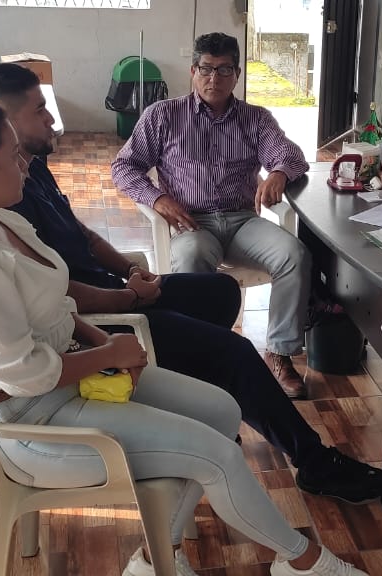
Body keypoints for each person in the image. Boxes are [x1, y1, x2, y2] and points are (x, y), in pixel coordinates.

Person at [0, 98, 367, 576]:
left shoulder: (4, 223)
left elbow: (58, 304)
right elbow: (27, 376)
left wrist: (104, 343)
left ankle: (156, 559)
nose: (25, 164)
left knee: (223, 412)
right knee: (219, 456)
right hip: (36, 422)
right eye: (13, 155)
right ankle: (304, 562)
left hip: (72, 381)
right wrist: (107, 353)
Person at [0, 63, 382, 504]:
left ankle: (208, 404)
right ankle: (313, 463)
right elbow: (58, 295)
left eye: (226, 70)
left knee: (221, 292)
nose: (52, 119)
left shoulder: (32, 169)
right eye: (39, 110)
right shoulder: (5, 203)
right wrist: (129, 297)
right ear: (0, 121)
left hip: (119, 287)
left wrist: (129, 272)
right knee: (237, 352)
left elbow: (82, 235)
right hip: (93, 322)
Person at [111, 32, 313, 398]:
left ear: (237, 74)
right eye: (206, 69)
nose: (213, 79)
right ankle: (201, 353)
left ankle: (280, 353)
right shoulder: (163, 115)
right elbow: (124, 167)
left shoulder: (256, 119)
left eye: (224, 70)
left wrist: (280, 173)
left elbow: (291, 155)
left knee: (294, 255)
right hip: (191, 222)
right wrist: (157, 198)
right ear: (193, 71)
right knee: (191, 256)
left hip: (242, 221)